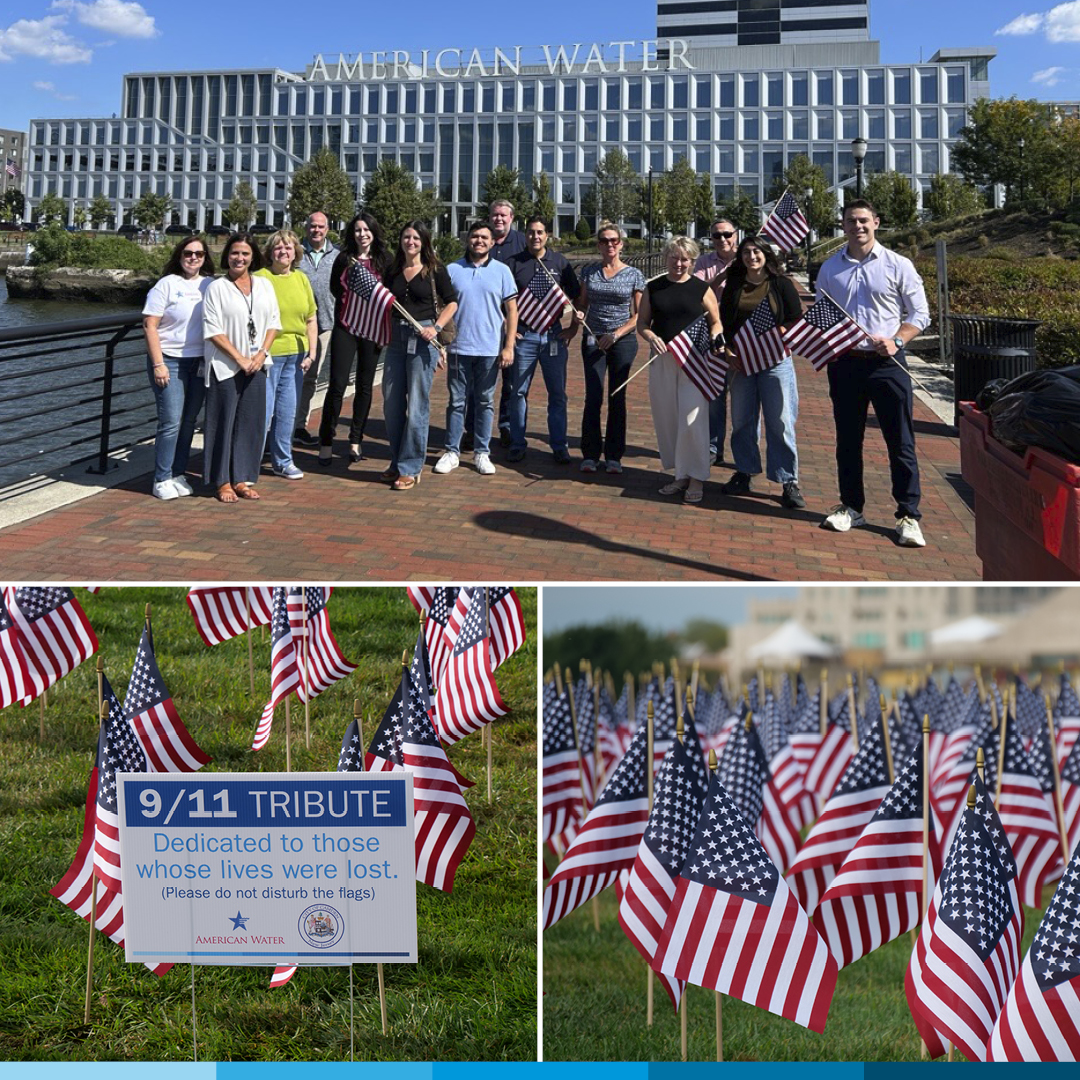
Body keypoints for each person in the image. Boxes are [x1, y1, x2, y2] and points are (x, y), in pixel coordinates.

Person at [815, 199, 931, 547]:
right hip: (846, 364)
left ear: (876, 223)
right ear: (843, 225)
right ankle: (851, 506)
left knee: (900, 442)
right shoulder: (830, 269)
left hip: (887, 365)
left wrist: (897, 340)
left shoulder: (898, 265)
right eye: (851, 221)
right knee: (848, 441)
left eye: (864, 220)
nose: (858, 226)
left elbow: (920, 314)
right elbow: (822, 316)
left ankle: (908, 514)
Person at [719, 235, 806, 510]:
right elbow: (724, 320)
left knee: (780, 421)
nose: (752, 256)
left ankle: (787, 480)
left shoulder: (781, 284)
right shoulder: (735, 283)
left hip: (774, 362)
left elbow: (796, 319)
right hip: (742, 362)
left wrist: (781, 331)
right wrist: (728, 349)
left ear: (767, 255)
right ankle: (744, 471)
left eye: (757, 252)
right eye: (746, 252)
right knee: (743, 420)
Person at [636, 236, 724, 505]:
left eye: (685, 258)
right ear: (666, 258)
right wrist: (651, 337)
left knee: (692, 420)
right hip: (662, 360)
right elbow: (642, 324)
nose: (679, 263)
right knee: (669, 419)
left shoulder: (701, 288)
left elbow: (716, 321)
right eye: (674, 257)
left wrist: (717, 336)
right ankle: (680, 474)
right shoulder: (654, 287)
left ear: (693, 261)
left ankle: (697, 476)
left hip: (695, 361)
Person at [202, 232, 280, 503]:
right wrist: (240, 358)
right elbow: (213, 330)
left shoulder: (264, 285)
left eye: (245, 253)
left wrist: (260, 354)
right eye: (235, 253)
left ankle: (242, 478)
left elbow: (273, 322)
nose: (240, 258)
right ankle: (222, 481)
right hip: (225, 366)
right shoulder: (216, 287)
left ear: (253, 256)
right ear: (227, 256)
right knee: (222, 423)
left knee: (251, 423)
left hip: (257, 364)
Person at [435, 222, 518, 476]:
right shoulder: (452, 270)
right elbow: (440, 308)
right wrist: (440, 344)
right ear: (467, 240)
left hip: (489, 348)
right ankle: (452, 451)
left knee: (484, 401)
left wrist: (509, 345)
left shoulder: (502, 271)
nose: (479, 241)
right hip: (459, 347)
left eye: (484, 237)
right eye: (474, 236)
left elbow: (512, 310)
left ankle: (482, 452)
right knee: (456, 401)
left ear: (492, 242)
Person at [380, 220, 458, 491]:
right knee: (391, 404)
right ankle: (397, 459)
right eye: (406, 237)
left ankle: (411, 467)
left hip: (422, 339)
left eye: (415, 238)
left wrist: (435, 329)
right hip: (396, 339)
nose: (410, 242)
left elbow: (451, 302)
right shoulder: (393, 270)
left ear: (424, 241)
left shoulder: (435, 270)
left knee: (416, 406)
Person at [143, 236, 216, 499]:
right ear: (179, 255)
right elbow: (150, 324)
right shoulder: (167, 284)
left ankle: (177, 472)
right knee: (171, 422)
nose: (193, 258)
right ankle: (161, 477)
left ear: (206, 257)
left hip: (198, 362)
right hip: (170, 361)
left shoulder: (210, 284)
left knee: (188, 422)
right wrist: (158, 363)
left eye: (199, 254)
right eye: (188, 253)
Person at [507, 218, 580, 464]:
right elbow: (502, 301)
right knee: (518, 393)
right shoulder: (514, 263)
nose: (535, 236)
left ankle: (559, 445)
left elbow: (578, 297)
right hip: (524, 336)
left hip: (553, 336)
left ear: (547, 235)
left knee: (557, 394)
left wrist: (572, 328)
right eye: (530, 232)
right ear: (525, 235)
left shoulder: (559, 263)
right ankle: (517, 443)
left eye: (540, 232)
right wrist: (508, 329)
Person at [575, 222, 645, 474]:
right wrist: (580, 314)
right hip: (594, 338)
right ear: (599, 245)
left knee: (617, 397)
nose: (609, 245)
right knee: (593, 396)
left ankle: (614, 456)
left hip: (622, 340)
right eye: (604, 241)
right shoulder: (589, 272)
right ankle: (590, 454)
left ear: (621, 244)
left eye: (614, 240)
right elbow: (582, 303)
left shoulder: (634, 274)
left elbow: (639, 316)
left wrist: (615, 334)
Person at [323, 212, 392, 465]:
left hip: (372, 329)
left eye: (366, 229)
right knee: (337, 384)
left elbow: (390, 294)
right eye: (357, 230)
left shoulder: (385, 260)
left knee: (365, 385)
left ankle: (355, 439)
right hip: (346, 326)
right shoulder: (344, 259)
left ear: (374, 232)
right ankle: (326, 440)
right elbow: (335, 287)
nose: (362, 234)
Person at [463, 199, 527, 450]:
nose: (499, 219)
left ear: (511, 217)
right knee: (475, 383)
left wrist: (519, 325)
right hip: (481, 327)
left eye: (503, 215)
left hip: (513, 328)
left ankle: (507, 427)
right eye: (495, 215)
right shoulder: (478, 243)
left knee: (511, 382)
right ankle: (472, 429)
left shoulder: (522, 244)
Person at [255, 229, 317, 481]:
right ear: (270, 252)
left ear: (296, 253)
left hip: (296, 356)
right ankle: (250, 460)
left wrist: (312, 353)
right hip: (267, 356)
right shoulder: (260, 278)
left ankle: (283, 461)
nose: (284, 251)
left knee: (287, 412)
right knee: (262, 410)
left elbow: (311, 319)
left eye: (289, 247)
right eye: (278, 247)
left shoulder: (301, 279)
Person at [694, 218, 739, 465]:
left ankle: (744, 456)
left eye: (726, 234)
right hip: (713, 333)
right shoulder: (704, 262)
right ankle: (714, 448)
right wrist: (723, 274)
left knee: (744, 400)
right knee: (715, 396)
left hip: (742, 336)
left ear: (735, 234)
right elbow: (698, 292)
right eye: (716, 236)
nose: (722, 239)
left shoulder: (748, 258)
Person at [294, 210, 337, 446]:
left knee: (310, 378)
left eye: (321, 227)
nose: (316, 230)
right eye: (312, 226)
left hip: (324, 327)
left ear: (327, 229)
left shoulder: (337, 256)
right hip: (294, 327)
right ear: (306, 227)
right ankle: (281, 425)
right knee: (288, 377)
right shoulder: (295, 254)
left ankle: (299, 425)